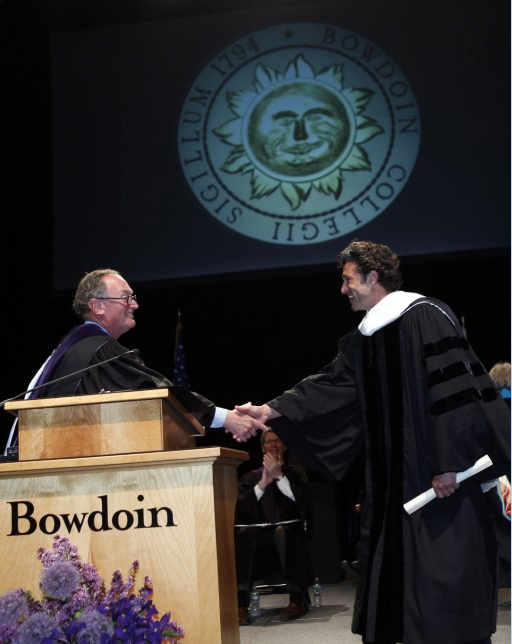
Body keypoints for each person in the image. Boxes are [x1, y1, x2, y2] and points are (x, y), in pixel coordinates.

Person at [236, 240, 511, 643]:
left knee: (442, 592)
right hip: (392, 490)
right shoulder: (366, 339)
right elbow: (329, 387)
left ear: (373, 277)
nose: (342, 290)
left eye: (348, 280)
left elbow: (457, 396)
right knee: (401, 594)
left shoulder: (426, 317)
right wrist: (271, 410)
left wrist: (450, 463)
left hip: (439, 484)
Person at [3, 268, 264, 453]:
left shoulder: (77, 345)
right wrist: (225, 418)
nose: (134, 305)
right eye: (126, 297)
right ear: (98, 306)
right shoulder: (96, 350)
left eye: (133, 297)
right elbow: (158, 392)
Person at [235, 429, 314, 626]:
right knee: (243, 534)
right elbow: (242, 512)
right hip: (259, 539)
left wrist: (280, 477)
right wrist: (263, 483)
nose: (274, 445)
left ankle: (297, 600)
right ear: (263, 448)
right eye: (269, 442)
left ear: (285, 446)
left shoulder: (296, 474)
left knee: (282, 532)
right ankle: (241, 604)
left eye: (279, 441)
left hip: (289, 537)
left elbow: (304, 506)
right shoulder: (250, 477)